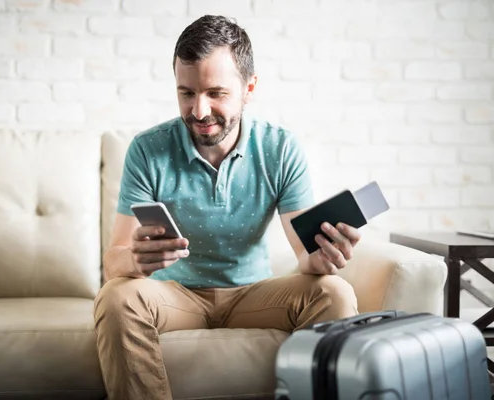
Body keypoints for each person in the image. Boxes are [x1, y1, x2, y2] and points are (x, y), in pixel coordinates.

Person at [94, 15, 360, 400]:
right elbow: (113, 263)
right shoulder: (148, 149)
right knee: (116, 297)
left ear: (249, 88)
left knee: (334, 292)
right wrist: (136, 261)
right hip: (174, 296)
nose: (199, 111)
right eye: (187, 93)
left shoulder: (279, 148)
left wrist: (319, 261)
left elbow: (306, 255)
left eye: (216, 93)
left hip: (253, 295)